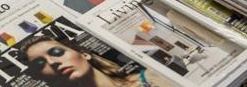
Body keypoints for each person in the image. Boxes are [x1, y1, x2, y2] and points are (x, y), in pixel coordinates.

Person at [23, 38, 156, 86]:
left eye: (57, 53)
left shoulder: (149, 78)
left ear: (84, 54)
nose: (52, 62)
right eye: (40, 64)